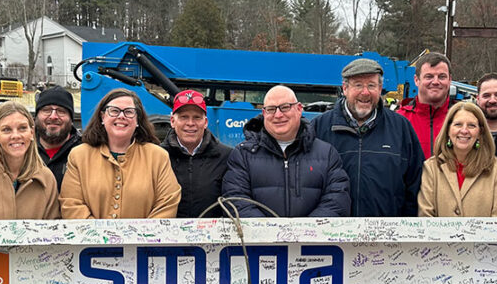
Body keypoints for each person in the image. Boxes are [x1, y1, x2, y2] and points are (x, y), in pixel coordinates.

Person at [314, 58, 424, 216]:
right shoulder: (320, 128)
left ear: (380, 89)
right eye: (358, 85)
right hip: (333, 233)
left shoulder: (401, 128)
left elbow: (415, 185)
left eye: (371, 85)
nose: (365, 92)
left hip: (388, 234)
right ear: (345, 88)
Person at [221, 85, 350, 217]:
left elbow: (337, 201)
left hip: (311, 237)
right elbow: (235, 200)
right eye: (271, 109)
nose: (278, 115)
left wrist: (304, 234)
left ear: (299, 109)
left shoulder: (327, 154)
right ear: (264, 113)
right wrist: (269, 233)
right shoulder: (243, 155)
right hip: (260, 237)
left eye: (285, 107)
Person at [60, 89, 181, 219]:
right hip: (93, 239)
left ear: (138, 120)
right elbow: (71, 204)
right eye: (114, 111)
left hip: (142, 239)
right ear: (102, 117)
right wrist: (100, 237)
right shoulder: (79, 156)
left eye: (129, 112)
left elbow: (167, 204)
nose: (121, 116)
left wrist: (139, 237)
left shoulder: (158, 157)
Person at [418, 102, 497, 217]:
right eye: (458, 124)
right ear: (448, 130)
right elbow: (425, 216)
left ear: (480, 133)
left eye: (471, 125)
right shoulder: (431, 167)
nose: (464, 130)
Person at [160, 89, 231, 217]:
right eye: (184, 117)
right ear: (172, 121)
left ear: (206, 122)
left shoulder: (226, 157)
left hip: (213, 234)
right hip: (169, 234)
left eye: (197, 117)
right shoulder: (159, 157)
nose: (190, 123)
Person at [398, 52, 452, 159]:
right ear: (416, 80)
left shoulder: (462, 118)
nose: (436, 82)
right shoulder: (399, 120)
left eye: (442, 76)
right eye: (429, 76)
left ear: (450, 80)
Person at [34, 86, 82, 188]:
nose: (53, 116)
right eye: (47, 110)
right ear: (36, 116)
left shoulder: (84, 152)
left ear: (71, 119)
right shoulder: (23, 149)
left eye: (61, 111)